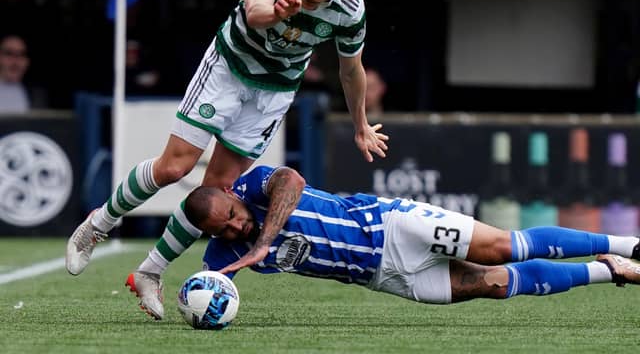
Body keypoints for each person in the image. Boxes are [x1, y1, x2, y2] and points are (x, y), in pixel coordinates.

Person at [65, 0, 389, 320]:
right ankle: (98, 223)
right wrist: (278, 13)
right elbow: (254, 13)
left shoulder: (351, 6)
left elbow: (350, 70)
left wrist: (361, 125)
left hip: (274, 92)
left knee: (215, 193)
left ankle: (150, 270)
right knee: (174, 167)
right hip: (227, 71)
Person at [177, 164, 640, 313]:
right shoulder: (223, 252)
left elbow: (291, 182)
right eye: (225, 230)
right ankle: (607, 271)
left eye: (233, 216)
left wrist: (264, 242)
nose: (237, 227)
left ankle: (625, 244)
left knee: (504, 245)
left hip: (393, 225)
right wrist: (181, 289)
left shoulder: (256, 183)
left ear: (229, 193)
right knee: (495, 284)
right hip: (385, 277)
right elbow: (203, 289)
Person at [0, 34, 47, 113]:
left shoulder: (37, 95)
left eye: (21, 54)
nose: (15, 61)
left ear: (27, 62)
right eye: (9, 53)